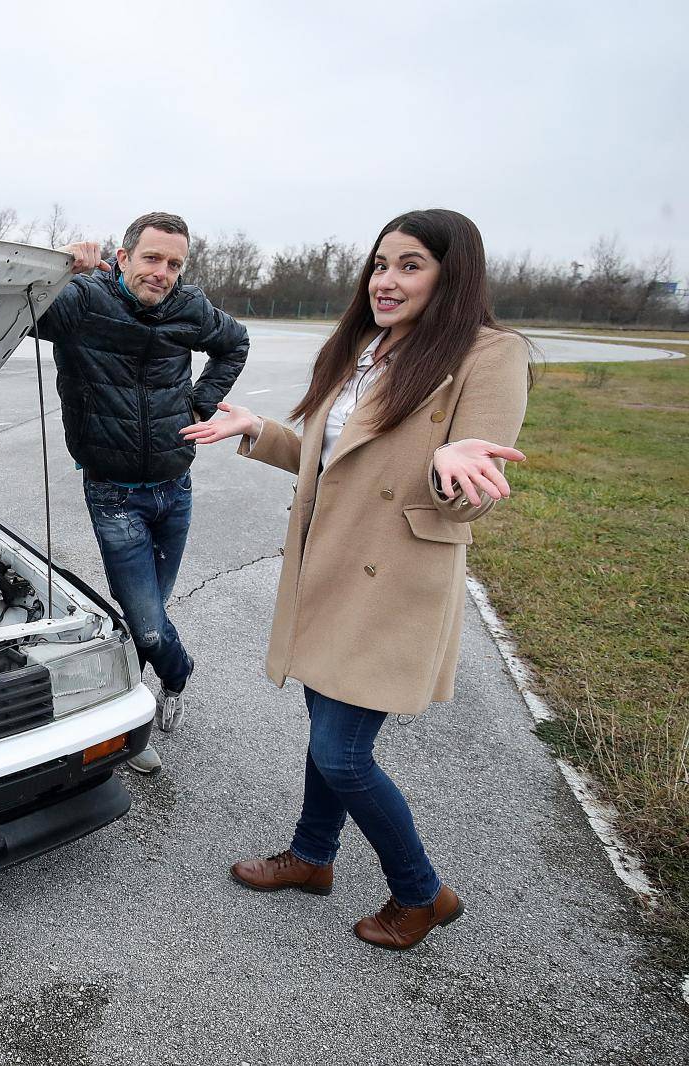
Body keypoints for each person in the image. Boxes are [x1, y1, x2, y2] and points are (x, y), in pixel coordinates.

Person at [179, 208, 530, 950]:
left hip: (390, 580)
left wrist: (450, 469)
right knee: (324, 730)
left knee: (343, 751)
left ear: (452, 274)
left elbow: (474, 485)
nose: (387, 280)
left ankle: (420, 892)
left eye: (410, 265)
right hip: (325, 564)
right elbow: (329, 458)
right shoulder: (368, 348)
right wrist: (258, 431)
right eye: (380, 264)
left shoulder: (488, 354)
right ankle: (312, 857)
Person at [38, 212, 250, 775]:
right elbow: (14, 309)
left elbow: (234, 343)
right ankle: (175, 677)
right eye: (152, 258)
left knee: (145, 619)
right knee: (151, 625)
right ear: (125, 257)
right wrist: (55, 265)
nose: (162, 273)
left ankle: (133, 721)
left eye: (174, 263)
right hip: (114, 496)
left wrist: (201, 403)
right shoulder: (82, 301)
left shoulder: (189, 308)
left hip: (174, 488)